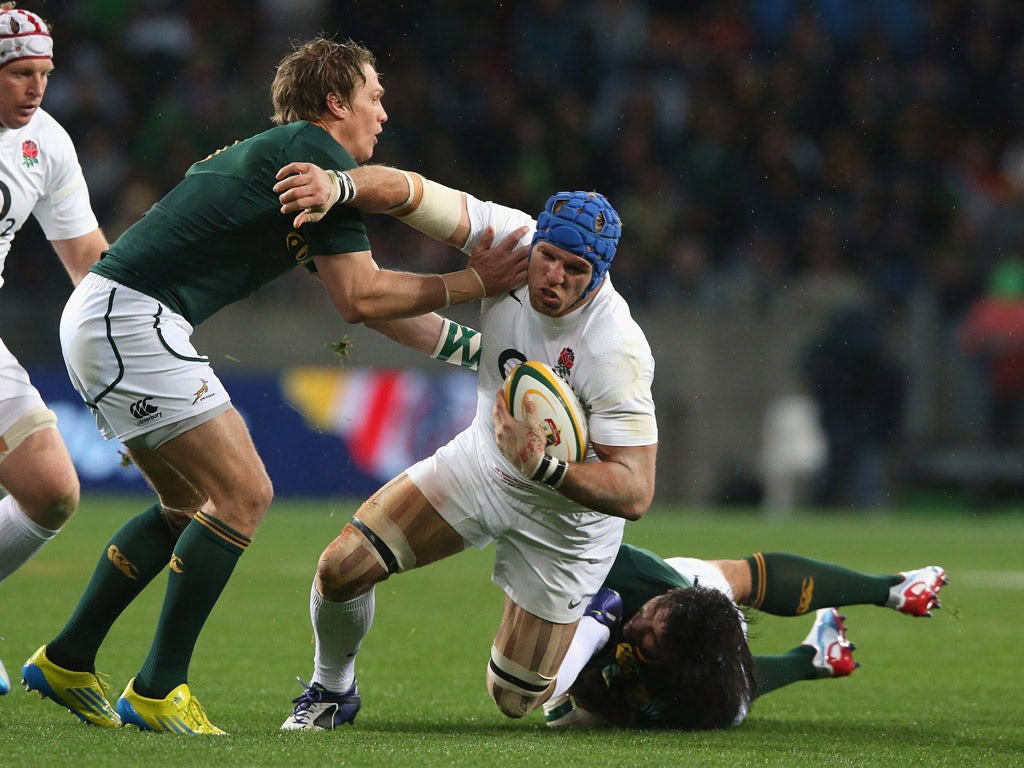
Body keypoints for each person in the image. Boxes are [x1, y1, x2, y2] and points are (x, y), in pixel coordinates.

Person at [20, 37, 525, 734]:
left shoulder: (295, 167)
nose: (384, 110)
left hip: (108, 314)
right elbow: (364, 300)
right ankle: (160, 687)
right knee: (244, 494)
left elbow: (373, 306)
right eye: (373, 95)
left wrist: (478, 352)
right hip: (131, 315)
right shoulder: (318, 158)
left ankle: (69, 658)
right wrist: (476, 282)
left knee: (189, 504)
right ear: (334, 102)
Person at [271, 164, 658, 730]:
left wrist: (544, 466)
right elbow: (412, 194)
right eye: (547, 256)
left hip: (567, 525)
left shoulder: (615, 349)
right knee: (341, 569)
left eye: (575, 270)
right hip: (485, 463)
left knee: (517, 699)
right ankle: (332, 691)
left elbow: (636, 490)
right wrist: (340, 187)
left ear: (598, 275)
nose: (552, 276)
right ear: (537, 237)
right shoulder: (509, 240)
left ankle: (596, 617)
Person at [541, 542, 948, 729]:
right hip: (697, 593)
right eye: (649, 615)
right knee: (735, 576)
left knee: (732, 706)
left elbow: (616, 711)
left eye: (651, 638)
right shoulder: (638, 574)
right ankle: (890, 589)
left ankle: (812, 658)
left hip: (702, 676)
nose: (637, 624)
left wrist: (589, 686)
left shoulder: (693, 701)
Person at [0, 4, 109, 694]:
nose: (35, 87)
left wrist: (141, 345)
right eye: (18, 74)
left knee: (51, 492)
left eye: (43, 73)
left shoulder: (47, 141)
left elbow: (90, 263)